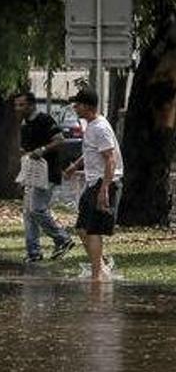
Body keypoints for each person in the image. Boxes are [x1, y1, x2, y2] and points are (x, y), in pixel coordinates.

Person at [63, 88, 123, 283]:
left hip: (102, 182)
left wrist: (104, 189)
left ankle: (97, 276)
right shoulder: (92, 126)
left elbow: (111, 159)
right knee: (81, 228)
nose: (75, 107)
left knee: (94, 230)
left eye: (78, 104)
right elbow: (91, 151)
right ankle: (102, 266)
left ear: (88, 106)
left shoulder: (100, 128)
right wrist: (75, 166)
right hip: (93, 182)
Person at [14, 92, 75, 262]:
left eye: (21, 105)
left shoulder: (45, 120)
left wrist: (42, 150)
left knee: (37, 208)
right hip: (32, 174)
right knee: (28, 213)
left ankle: (62, 238)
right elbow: (26, 153)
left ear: (31, 105)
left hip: (48, 172)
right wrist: (23, 176)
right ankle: (33, 252)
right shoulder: (25, 125)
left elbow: (60, 140)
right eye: (16, 105)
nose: (18, 109)